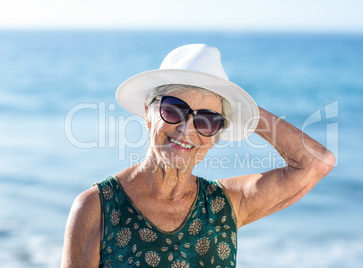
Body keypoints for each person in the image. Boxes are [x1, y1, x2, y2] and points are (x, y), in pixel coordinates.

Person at [61, 44, 335, 268]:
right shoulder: (96, 207)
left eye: (206, 121)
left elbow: (316, 162)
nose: (185, 129)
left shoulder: (224, 206)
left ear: (216, 135)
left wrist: (242, 107)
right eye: (173, 110)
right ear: (148, 113)